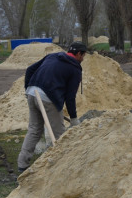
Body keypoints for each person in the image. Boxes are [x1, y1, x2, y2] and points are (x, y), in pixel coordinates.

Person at [17, 42, 87, 173]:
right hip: (49, 98)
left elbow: (29, 70)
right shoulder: (74, 68)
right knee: (59, 133)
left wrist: (28, 89)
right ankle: (64, 168)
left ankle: (22, 165)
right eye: (83, 56)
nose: (83, 59)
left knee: (34, 130)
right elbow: (70, 97)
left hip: (33, 92)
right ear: (78, 54)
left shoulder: (53, 56)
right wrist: (73, 118)